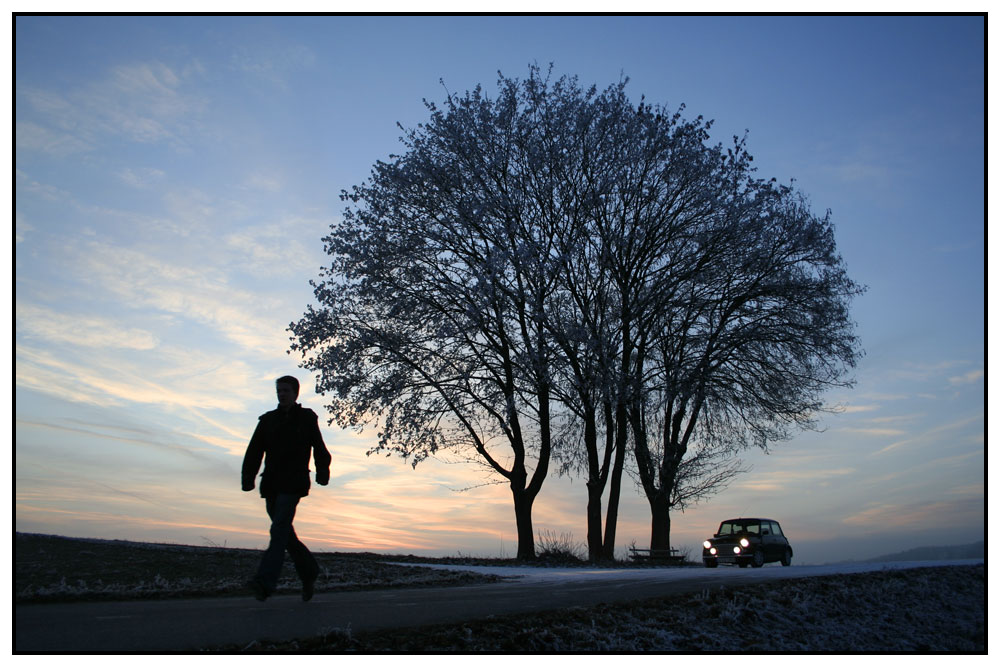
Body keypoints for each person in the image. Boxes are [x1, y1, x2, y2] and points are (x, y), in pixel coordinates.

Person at [242, 375, 331, 602]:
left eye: (286, 391)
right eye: (279, 391)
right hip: (271, 483)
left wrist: (323, 471)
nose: (282, 394)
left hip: (293, 483)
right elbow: (254, 451)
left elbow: (320, 447)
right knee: (285, 534)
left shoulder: (306, 418)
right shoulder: (267, 420)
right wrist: (248, 477)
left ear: (295, 393)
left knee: (279, 529)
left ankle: (264, 582)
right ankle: (309, 571)